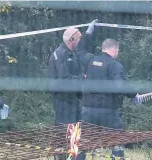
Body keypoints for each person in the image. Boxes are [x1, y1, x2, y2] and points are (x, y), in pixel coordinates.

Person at [77, 39, 142, 160]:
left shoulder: (91, 60)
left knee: (84, 141)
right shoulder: (114, 65)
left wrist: (88, 34)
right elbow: (120, 86)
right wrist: (134, 94)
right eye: (118, 50)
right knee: (117, 138)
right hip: (107, 110)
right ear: (114, 49)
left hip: (87, 109)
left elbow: (80, 51)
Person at [47, 19, 98, 160]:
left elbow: (74, 73)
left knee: (76, 134)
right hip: (64, 102)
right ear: (72, 39)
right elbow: (65, 78)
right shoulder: (60, 54)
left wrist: (84, 77)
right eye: (79, 38)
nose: (79, 42)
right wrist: (83, 80)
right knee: (65, 135)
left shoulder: (71, 53)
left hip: (73, 100)